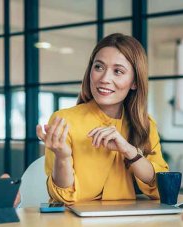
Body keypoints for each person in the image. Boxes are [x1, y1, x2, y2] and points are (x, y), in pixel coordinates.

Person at [36, 33, 169, 205]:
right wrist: (62, 157)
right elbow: (63, 197)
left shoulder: (145, 124)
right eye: (99, 67)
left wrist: (129, 151)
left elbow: (161, 187)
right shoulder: (64, 120)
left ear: (134, 82)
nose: (105, 79)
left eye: (118, 71)